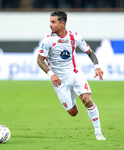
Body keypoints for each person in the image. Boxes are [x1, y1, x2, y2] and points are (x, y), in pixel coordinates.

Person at [37, 11, 106, 140]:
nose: (50, 25)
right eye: (50, 22)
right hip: (59, 81)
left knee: (86, 99)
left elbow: (89, 52)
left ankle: (98, 132)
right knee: (73, 113)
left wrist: (97, 67)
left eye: (53, 22)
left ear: (62, 24)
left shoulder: (75, 37)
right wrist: (51, 74)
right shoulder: (48, 40)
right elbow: (39, 60)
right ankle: (72, 98)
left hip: (75, 74)